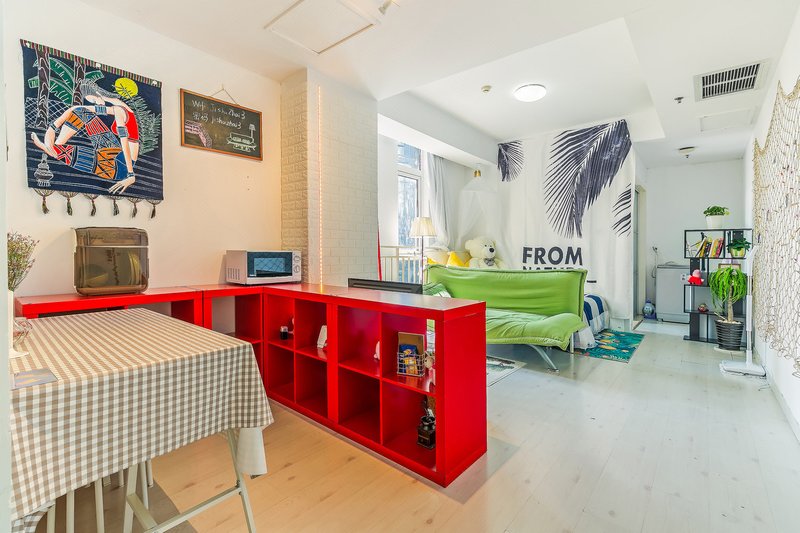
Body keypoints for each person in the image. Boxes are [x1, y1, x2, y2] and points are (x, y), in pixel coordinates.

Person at [31, 79, 139, 195]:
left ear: (98, 94)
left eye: (93, 100)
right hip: (115, 152)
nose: (95, 104)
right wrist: (52, 128)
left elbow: (124, 142)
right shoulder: (119, 106)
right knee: (82, 112)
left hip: (121, 167)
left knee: (65, 153)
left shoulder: (119, 110)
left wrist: (130, 175)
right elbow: (75, 109)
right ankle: (55, 146)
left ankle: (53, 149)